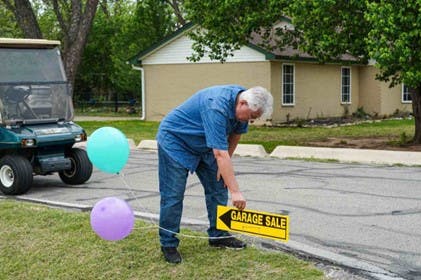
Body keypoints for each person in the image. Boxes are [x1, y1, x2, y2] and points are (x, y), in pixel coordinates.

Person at [156, 84, 273, 264]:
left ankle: (218, 235)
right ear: (242, 104)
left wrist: (224, 167)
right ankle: (169, 244)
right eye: (251, 117)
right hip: (176, 141)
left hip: (206, 144)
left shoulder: (243, 103)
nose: (250, 121)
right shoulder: (216, 106)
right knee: (173, 195)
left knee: (218, 187)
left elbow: (234, 136)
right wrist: (235, 192)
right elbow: (220, 153)